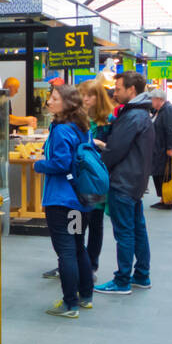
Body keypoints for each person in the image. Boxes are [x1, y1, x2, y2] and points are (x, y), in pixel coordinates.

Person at [42, 79, 113, 281]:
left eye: (89, 95)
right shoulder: (78, 124)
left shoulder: (70, 127)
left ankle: (84, 275)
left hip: (84, 187)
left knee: (80, 236)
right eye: (82, 94)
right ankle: (82, 281)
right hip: (79, 190)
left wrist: (40, 165)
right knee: (76, 240)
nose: (85, 99)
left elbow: (62, 163)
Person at [33, 84, 93, 317]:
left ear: (67, 104)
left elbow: (60, 163)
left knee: (66, 251)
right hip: (80, 199)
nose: (49, 102)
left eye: (55, 98)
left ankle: (70, 304)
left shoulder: (60, 130)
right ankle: (85, 296)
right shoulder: (82, 127)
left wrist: (38, 164)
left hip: (61, 201)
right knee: (78, 246)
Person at [93, 71, 154, 295]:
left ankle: (122, 281)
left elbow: (115, 150)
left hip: (123, 181)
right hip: (135, 180)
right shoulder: (140, 114)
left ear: (132, 90)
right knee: (137, 229)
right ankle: (141, 275)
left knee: (125, 232)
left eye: (118, 88)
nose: (114, 92)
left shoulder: (133, 116)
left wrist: (100, 163)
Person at [148, 88, 172, 210]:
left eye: (152, 99)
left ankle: (168, 201)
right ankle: (163, 199)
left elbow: (171, 130)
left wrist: (170, 147)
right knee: (159, 173)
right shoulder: (159, 111)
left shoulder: (168, 110)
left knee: (164, 174)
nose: (151, 102)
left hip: (164, 148)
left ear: (159, 99)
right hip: (158, 148)